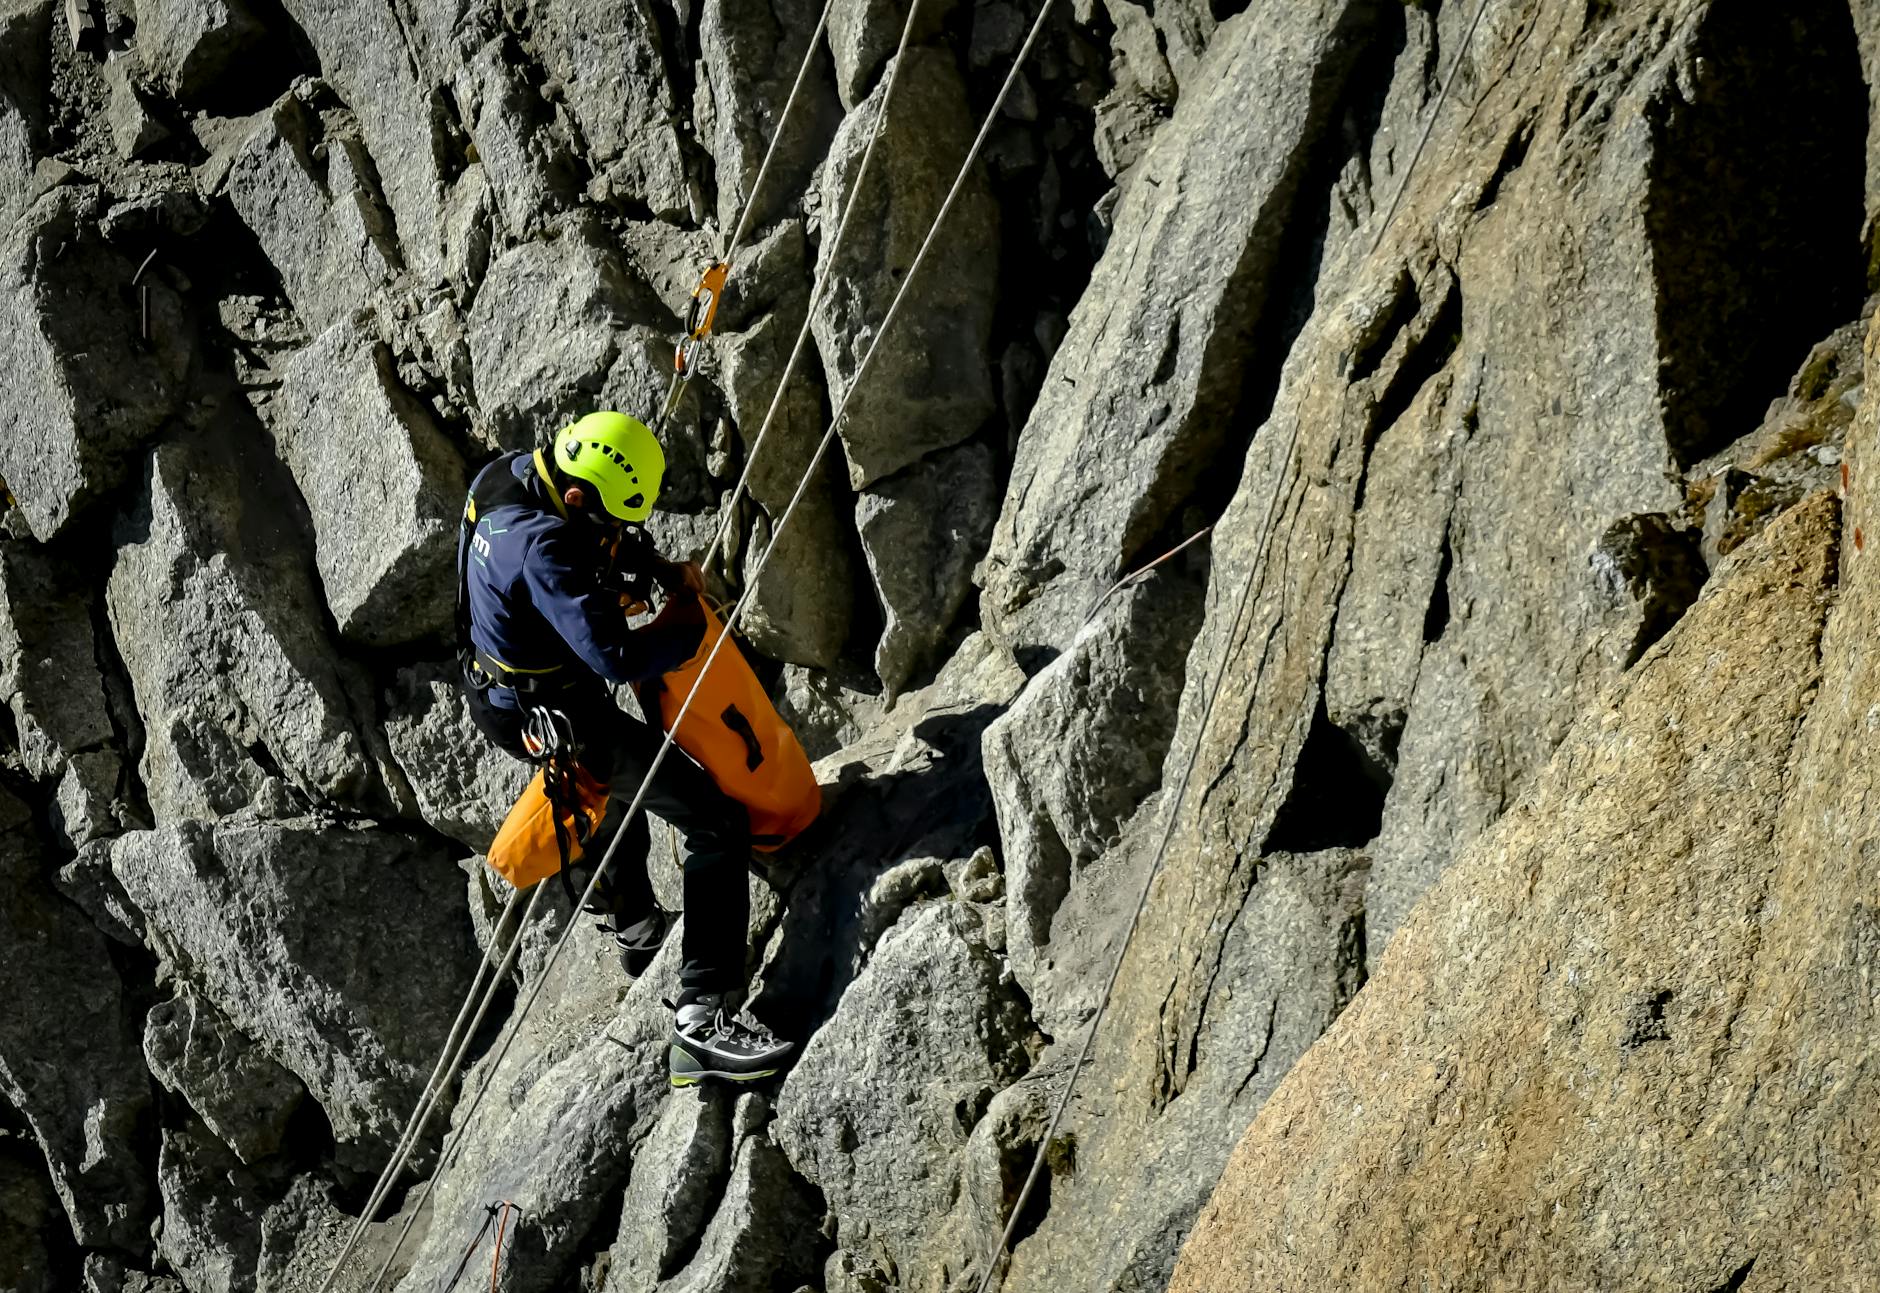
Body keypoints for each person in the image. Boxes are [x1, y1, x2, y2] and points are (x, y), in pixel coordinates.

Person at [458, 411, 793, 1085]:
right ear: (579, 497)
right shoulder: (544, 547)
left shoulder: (508, 477)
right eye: (609, 523)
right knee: (714, 819)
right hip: (564, 710)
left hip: (504, 694)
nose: (616, 537)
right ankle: (702, 1022)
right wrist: (686, 625)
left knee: (612, 800)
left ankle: (637, 928)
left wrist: (651, 565)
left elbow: (597, 548)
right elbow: (616, 656)